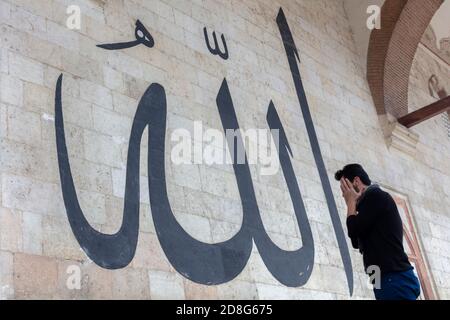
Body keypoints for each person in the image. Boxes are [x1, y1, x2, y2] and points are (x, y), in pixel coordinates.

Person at [335, 164, 421, 300]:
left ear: (356, 182)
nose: (344, 194)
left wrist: (350, 203)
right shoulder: (366, 207)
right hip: (385, 281)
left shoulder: (375, 196)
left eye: (346, 188)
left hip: (394, 279)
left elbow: (353, 230)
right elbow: (355, 242)